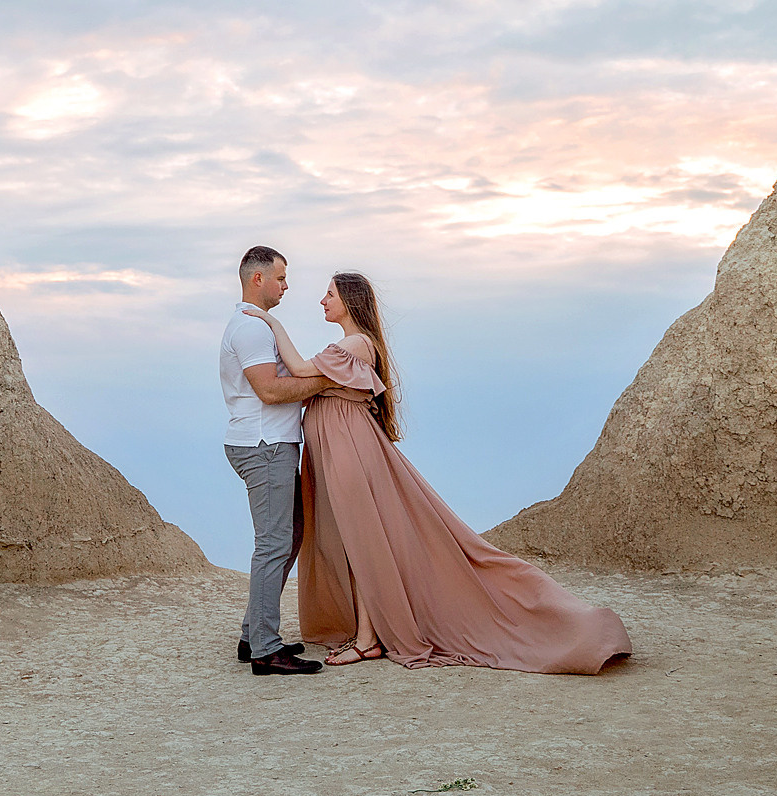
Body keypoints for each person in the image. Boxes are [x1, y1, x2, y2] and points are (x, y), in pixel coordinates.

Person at [242, 271, 632, 674]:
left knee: (364, 543)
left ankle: (367, 639)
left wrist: (272, 323)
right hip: (342, 452)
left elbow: (301, 370)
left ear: (350, 302)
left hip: (351, 454)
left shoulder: (355, 344)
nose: (322, 301)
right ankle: (366, 634)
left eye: (329, 294)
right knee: (359, 543)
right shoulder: (351, 345)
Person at [219, 245, 329, 675]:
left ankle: (254, 635)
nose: (287, 286)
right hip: (263, 445)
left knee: (290, 535)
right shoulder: (249, 330)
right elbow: (269, 391)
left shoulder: (257, 327)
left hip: (271, 443)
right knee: (273, 544)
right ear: (257, 279)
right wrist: (326, 381)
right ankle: (266, 649)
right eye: (281, 278)